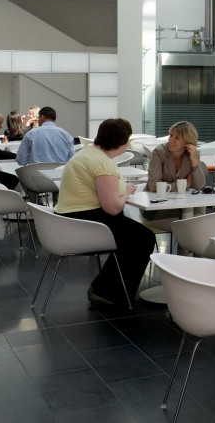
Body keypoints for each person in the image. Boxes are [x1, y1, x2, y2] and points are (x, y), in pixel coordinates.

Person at [56, 118, 156, 307]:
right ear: (121, 142)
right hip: (84, 221)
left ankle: (104, 289)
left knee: (134, 236)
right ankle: (108, 293)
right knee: (144, 238)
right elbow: (113, 208)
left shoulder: (87, 154)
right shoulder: (102, 163)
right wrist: (127, 191)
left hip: (69, 220)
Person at [146, 120, 207, 192]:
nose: (170, 140)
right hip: (156, 197)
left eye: (177, 138)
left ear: (188, 142)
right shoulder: (159, 153)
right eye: (171, 135)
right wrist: (183, 185)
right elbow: (154, 186)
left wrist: (194, 161)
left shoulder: (193, 153)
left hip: (181, 198)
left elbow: (199, 186)